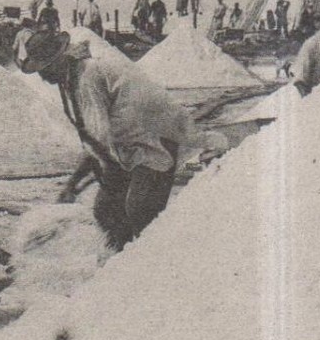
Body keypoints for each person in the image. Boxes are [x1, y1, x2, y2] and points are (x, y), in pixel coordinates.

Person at [17, 30, 200, 250]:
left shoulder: (87, 78)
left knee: (139, 208)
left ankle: (153, 261)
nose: (42, 76)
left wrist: (76, 184)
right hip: (128, 143)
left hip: (156, 137)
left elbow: (101, 137)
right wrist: (74, 185)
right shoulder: (69, 80)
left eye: (45, 68)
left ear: (59, 60)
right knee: (105, 210)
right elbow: (93, 140)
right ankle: (118, 259)